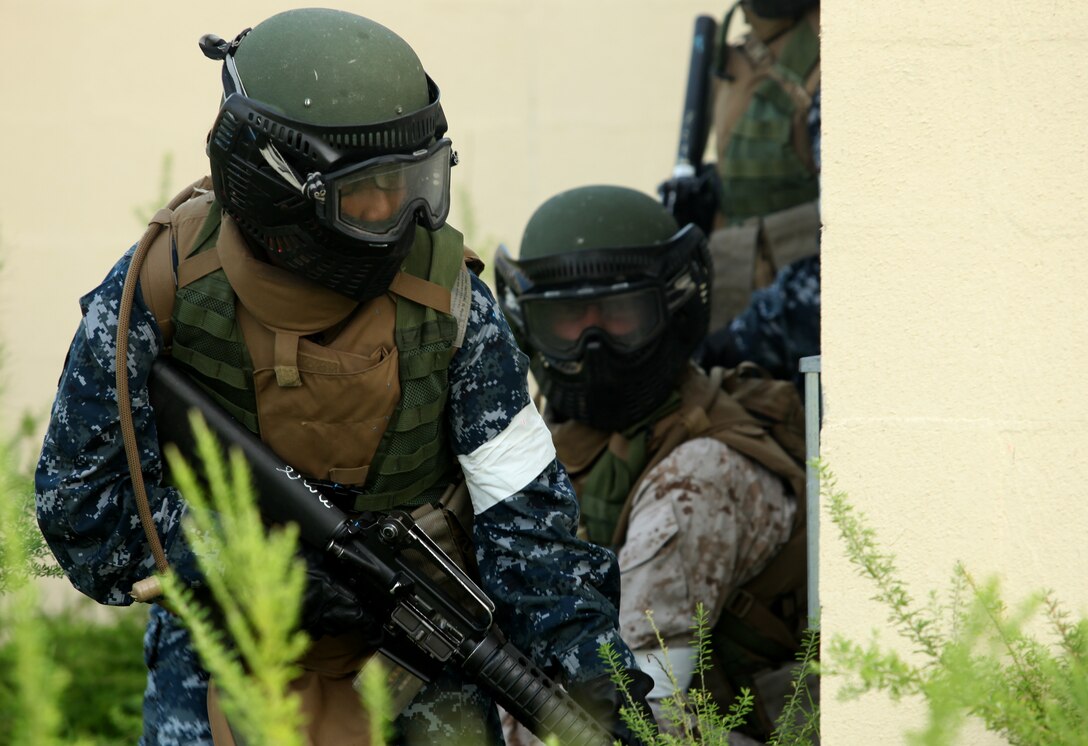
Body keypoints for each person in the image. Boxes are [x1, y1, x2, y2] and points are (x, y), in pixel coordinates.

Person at [34, 9, 651, 745]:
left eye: (419, 184)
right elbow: (83, 514)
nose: (406, 217)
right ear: (276, 186)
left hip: (425, 670)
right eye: (369, 196)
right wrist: (268, 570)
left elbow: (531, 534)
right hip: (227, 668)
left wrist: (606, 688)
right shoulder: (156, 290)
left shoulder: (453, 304)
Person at [495, 185, 808, 739]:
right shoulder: (565, 443)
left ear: (673, 308)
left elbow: (640, 716)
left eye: (619, 313)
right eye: (568, 317)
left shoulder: (697, 478)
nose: (593, 341)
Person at [692, 0, 822, 388]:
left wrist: (742, 337)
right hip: (739, 316)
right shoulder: (739, 54)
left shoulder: (842, 47)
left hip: (799, 344)